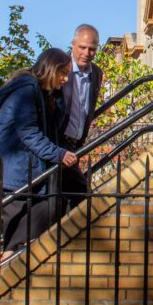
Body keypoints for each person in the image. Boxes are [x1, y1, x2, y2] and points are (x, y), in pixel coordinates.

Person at [0, 47, 79, 256]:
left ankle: (9, 267)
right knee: (17, 244)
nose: (65, 79)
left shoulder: (43, 93)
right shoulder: (26, 91)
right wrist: (59, 154)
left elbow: (52, 129)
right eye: (63, 73)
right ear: (51, 68)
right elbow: (28, 132)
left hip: (28, 174)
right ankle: (3, 273)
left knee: (30, 236)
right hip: (18, 175)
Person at [58, 24, 104, 210]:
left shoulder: (97, 73)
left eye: (92, 49)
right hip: (58, 140)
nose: (86, 53)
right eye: (82, 47)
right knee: (80, 193)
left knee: (65, 195)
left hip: (76, 143)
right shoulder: (60, 67)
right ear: (73, 45)